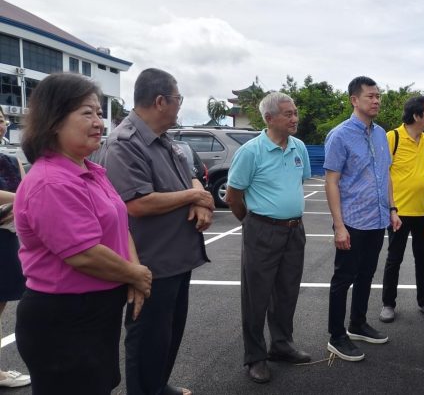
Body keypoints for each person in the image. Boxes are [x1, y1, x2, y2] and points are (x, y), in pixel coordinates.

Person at [13, 73, 152, 394]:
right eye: (87, 113)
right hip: (64, 318)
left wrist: (133, 271)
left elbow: (120, 225)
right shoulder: (51, 182)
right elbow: (83, 253)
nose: (98, 122)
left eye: (99, 113)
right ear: (54, 121)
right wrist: (137, 274)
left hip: (94, 311)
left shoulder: (89, 171)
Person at [100, 68, 213, 395]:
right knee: (147, 338)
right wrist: (193, 197)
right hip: (151, 262)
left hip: (177, 257)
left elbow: (192, 177)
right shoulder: (125, 143)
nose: (180, 106)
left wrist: (201, 200)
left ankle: (158, 386)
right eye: (178, 99)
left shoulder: (164, 140)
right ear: (161, 101)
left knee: (168, 333)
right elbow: (137, 203)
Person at [225, 91, 312, 384]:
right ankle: (255, 356)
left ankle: (281, 345)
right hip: (262, 229)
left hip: (294, 230)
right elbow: (233, 196)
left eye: (295, 112)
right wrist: (251, 223)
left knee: (287, 291)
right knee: (256, 296)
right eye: (288, 114)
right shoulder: (251, 152)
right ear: (269, 118)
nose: (295, 118)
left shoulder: (299, 147)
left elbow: (297, 183)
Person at [324, 76, 401, 362]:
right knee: (343, 278)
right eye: (370, 96)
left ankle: (357, 323)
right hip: (352, 222)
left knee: (367, 274)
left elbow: (386, 174)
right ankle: (336, 335)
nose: (376, 100)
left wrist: (392, 209)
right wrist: (339, 226)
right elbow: (331, 182)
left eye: (378, 96)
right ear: (354, 100)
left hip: (377, 219)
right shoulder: (340, 135)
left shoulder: (381, 134)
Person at [379, 95, 424, 323]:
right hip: (399, 212)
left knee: (423, 258)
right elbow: (384, 174)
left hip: (423, 211)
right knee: (394, 259)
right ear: (416, 115)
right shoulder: (392, 137)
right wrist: (392, 209)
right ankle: (388, 303)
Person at [0, 106, 29, 389]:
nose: (0, 125)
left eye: (1, 120)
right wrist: (20, 199)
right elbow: (25, 195)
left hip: (7, 238)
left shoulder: (11, 159)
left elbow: (27, 189)